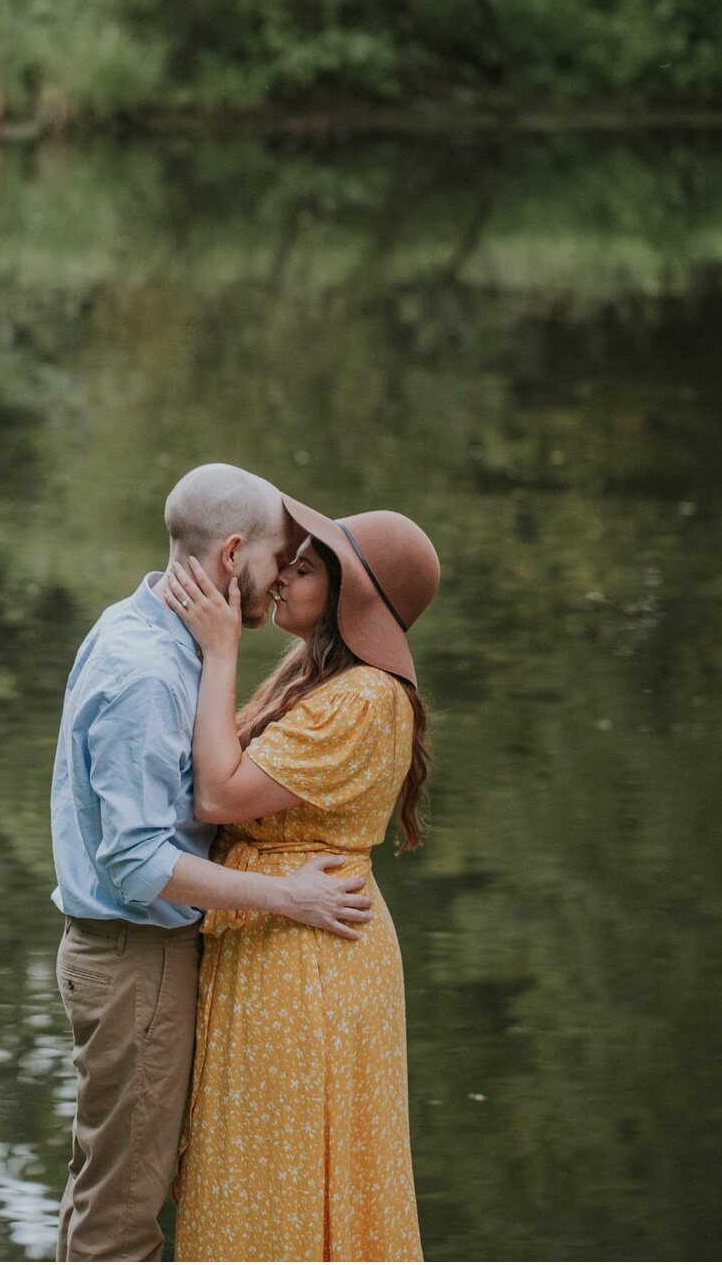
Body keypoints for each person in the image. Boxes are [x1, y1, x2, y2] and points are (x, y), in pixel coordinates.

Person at [48, 464, 377, 1263]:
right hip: (139, 963)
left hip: (129, 961)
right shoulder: (150, 673)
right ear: (233, 555)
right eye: (278, 561)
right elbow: (137, 864)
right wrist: (285, 896)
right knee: (119, 1225)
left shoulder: (141, 628)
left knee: (103, 1196)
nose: (281, 582)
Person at [159, 494, 440, 1262]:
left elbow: (219, 793)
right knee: (257, 1173)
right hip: (278, 940)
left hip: (308, 960)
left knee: (286, 1178)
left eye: (306, 567)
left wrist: (221, 651)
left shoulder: (367, 698)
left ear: (353, 596)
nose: (282, 574)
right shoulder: (312, 673)